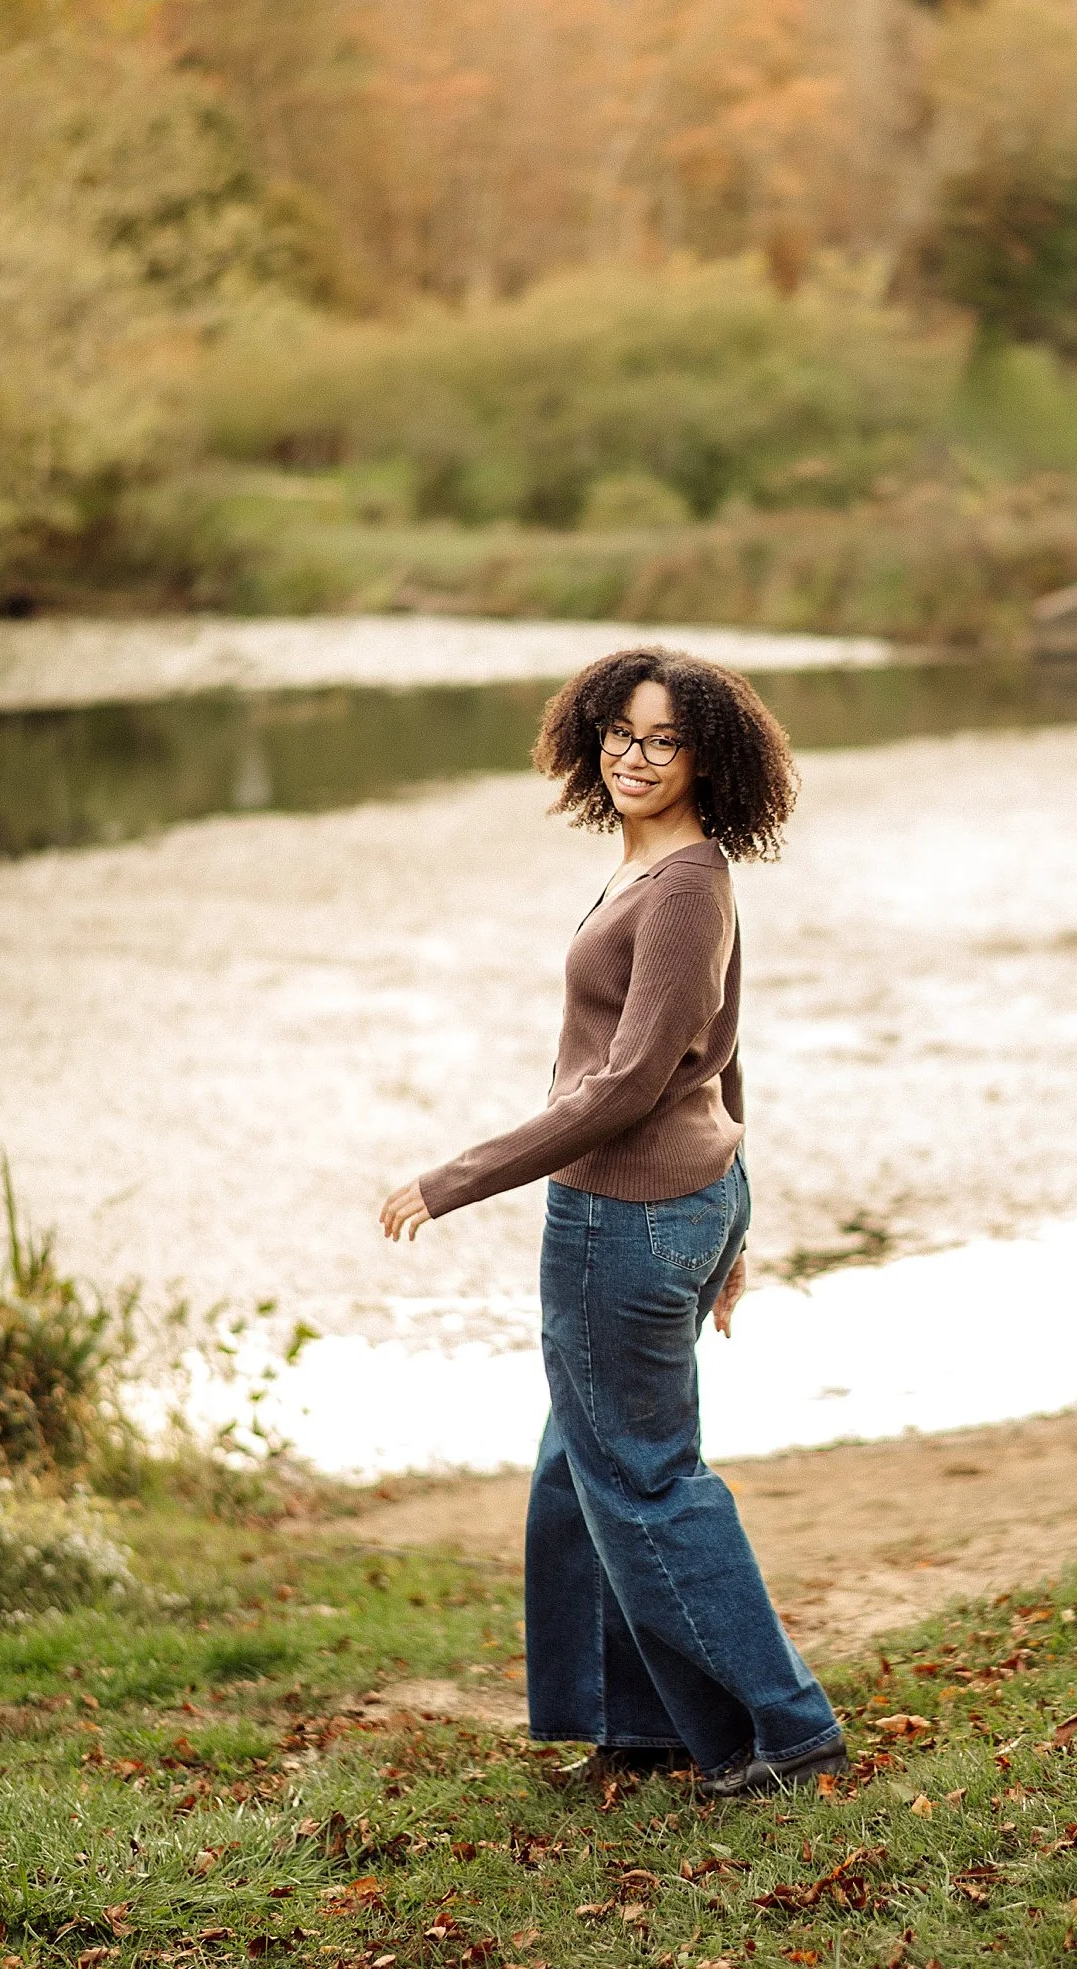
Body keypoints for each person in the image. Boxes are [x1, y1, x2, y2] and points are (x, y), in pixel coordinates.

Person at [379, 647, 844, 1797]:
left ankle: (783, 1732)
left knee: (644, 1480)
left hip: (627, 1217)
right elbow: (725, 1053)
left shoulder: (686, 882)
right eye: (620, 735)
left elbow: (633, 1081)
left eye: (662, 740)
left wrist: (456, 1177)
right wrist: (735, 1222)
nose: (635, 757)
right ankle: (635, 1721)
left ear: (707, 757)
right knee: (573, 1473)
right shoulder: (668, 869)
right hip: (673, 1205)